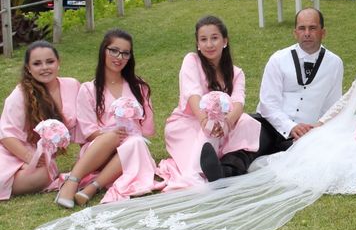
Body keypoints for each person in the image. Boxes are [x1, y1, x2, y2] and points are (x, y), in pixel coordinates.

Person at [22, 18, 356, 230]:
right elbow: (349, 102)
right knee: (247, 133)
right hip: (196, 123)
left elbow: (240, 102)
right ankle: (213, 166)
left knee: (249, 129)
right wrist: (316, 126)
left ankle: (228, 166)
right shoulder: (193, 64)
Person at [54, 29, 158, 208]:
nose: (119, 57)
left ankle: (91, 189)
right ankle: (71, 182)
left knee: (136, 142)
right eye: (114, 50)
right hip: (98, 150)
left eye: (125, 53)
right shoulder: (88, 89)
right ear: (104, 50)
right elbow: (88, 132)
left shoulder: (139, 88)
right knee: (113, 136)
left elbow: (146, 129)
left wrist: (128, 135)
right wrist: (112, 135)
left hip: (129, 150)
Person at [157, 16, 261, 189]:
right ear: (198, 44)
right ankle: (198, 173)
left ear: (225, 41)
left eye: (214, 38)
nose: (209, 44)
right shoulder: (192, 60)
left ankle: (224, 165)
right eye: (203, 40)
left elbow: (238, 102)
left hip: (222, 126)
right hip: (187, 124)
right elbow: (193, 94)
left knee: (247, 121)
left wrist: (226, 122)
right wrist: (206, 121)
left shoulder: (236, 73)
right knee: (197, 164)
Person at [254, 8, 343, 156]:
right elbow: (268, 103)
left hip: (306, 134)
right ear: (295, 33)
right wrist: (290, 127)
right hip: (271, 125)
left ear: (323, 32)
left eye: (313, 28)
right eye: (302, 28)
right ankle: (225, 169)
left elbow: (331, 106)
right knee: (250, 145)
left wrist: (316, 130)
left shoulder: (335, 63)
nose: (307, 33)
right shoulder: (278, 59)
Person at [0, 41, 81, 201]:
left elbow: (83, 124)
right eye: (37, 63)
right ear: (28, 69)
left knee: (48, 171)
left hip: (41, 159)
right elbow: (6, 135)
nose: (44, 67)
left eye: (50, 61)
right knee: (45, 174)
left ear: (58, 63)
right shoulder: (21, 94)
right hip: (10, 153)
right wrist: (30, 158)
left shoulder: (73, 85)